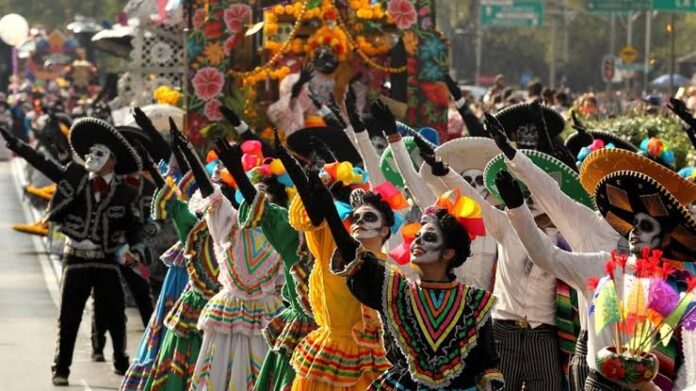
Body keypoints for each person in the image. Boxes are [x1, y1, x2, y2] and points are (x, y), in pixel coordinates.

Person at [495, 166, 695, 390]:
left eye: (646, 226)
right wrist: (517, 209)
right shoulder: (603, 266)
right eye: (633, 224)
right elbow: (547, 256)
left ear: (666, 239)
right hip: (600, 384)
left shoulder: (676, 288)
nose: (634, 232)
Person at [311, 162, 504, 390]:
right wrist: (332, 217)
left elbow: (486, 362)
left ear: (448, 253)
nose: (417, 242)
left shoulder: (475, 303)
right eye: (417, 236)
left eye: (428, 238)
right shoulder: (395, 290)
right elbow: (355, 258)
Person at [1, 118, 144, 386]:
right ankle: (61, 367)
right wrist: (16, 144)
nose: (91, 157)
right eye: (91, 152)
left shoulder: (125, 193)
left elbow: (134, 225)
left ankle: (121, 360)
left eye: (99, 153)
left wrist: (134, 248)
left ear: (112, 161)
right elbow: (44, 164)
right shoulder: (75, 176)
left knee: (116, 314)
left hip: (106, 259)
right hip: (75, 256)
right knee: (69, 316)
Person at [276, 131, 391, 390]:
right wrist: (300, 171)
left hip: (367, 363)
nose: (360, 221)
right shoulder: (331, 247)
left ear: (385, 231)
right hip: (326, 350)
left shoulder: (390, 269)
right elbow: (311, 216)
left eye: (370, 218)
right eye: (357, 217)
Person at [214, 137, 318, 391]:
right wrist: (238, 173)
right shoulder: (290, 235)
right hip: (298, 332)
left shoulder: (344, 246)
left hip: (338, 345)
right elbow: (263, 207)